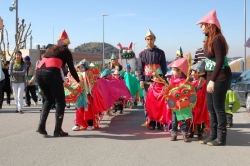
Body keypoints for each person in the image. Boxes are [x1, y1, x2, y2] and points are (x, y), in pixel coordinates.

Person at [197, 9, 232, 146]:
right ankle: (212, 136)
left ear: (210, 25)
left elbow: (219, 61)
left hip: (221, 77)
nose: (201, 28)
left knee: (218, 108)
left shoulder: (217, 39)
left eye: (203, 25)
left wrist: (212, 80)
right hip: (211, 77)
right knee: (210, 108)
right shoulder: (208, 39)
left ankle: (221, 138)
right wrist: (204, 77)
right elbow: (208, 62)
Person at [36, 30, 80, 137]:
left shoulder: (50, 49)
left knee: (48, 99)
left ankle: (41, 126)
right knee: (60, 101)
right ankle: (58, 130)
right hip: (51, 73)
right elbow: (72, 69)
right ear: (67, 43)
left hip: (39, 73)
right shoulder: (65, 51)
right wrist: (79, 81)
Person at [137, 29, 166, 130]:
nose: (150, 41)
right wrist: (141, 79)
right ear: (145, 40)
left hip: (158, 82)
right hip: (146, 82)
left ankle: (160, 121)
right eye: (148, 39)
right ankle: (151, 122)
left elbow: (164, 67)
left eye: (151, 39)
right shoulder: (142, 53)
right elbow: (140, 68)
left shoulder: (160, 52)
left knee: (159, 102)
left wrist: (163, 79)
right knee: (148, 103)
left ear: (155, 39)